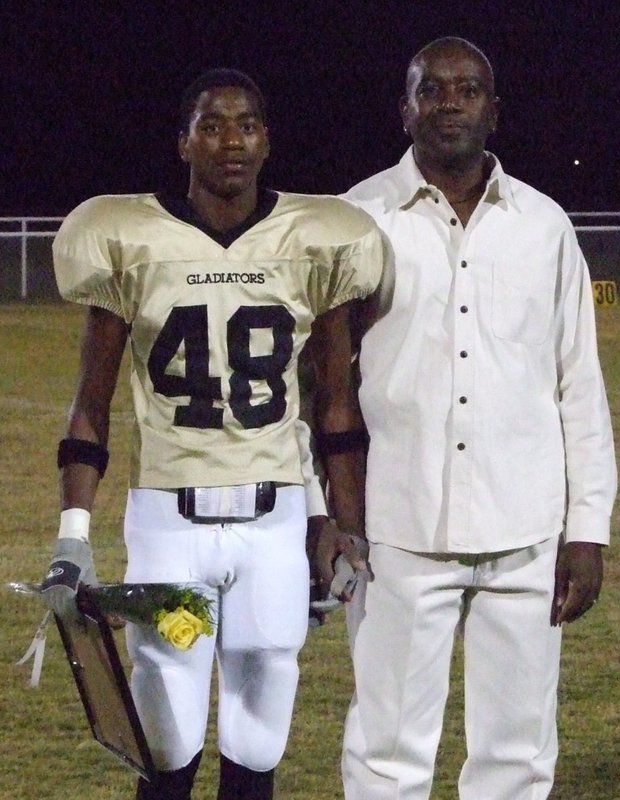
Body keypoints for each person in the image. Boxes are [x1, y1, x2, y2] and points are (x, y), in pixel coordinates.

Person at [40, 68, 383, 800]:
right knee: (168, 734)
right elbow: (90, 405)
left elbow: (334, 406)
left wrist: (344, 528)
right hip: (171, 528)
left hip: (271, 528)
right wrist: (74, 533)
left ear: (268, 140)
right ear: (184, 141)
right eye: (212, 124)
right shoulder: (128, 239)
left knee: (258, 738)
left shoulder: (316, 241)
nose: (231, 140)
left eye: (247, 123)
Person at [337, 37, 617, 800]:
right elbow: (320, 385)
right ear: (406, 109)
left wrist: (586, 529)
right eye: (432, 89)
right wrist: (323, 510)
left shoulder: (543, 224)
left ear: (493, 110)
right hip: (396, 529)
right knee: (387, 752)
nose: (450, 102)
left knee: (517, 757)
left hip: (525, 527)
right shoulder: (355, 220)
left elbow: (577, 384)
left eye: (467, 89)